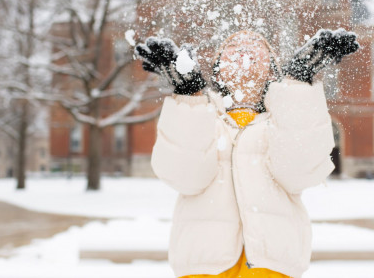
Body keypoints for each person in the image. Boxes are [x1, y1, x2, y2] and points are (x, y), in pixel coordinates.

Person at [134, 28, 359, 278]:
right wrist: (189, 97)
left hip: (272, 269)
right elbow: (185, 178)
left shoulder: (285, 121)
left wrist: (297, 83)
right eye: (231, 45)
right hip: (204, 269)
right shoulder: (203, 118)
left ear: (272, 69)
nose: (243, 47)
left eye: (256, 43)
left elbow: (300, 175)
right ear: (218, 69)